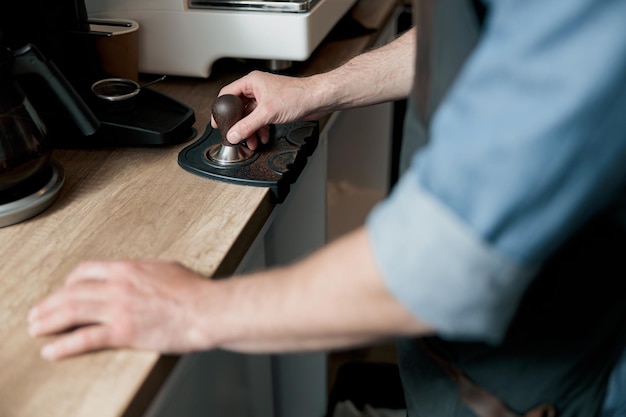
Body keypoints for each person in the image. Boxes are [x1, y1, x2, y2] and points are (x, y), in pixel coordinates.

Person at [28, 0, 626, 415]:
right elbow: (492, 36)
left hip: (563, 379)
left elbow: (450, 263)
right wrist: (318, 89)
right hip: (468, 364)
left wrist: (196, 308)